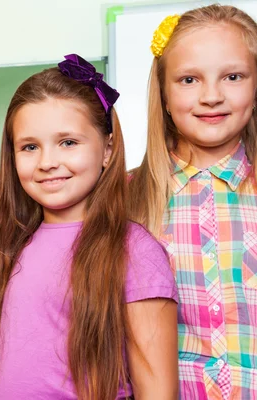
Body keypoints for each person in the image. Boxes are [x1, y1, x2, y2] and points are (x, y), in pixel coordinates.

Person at [0, 55, 178, 399]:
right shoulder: (11, 243)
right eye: (30, 147)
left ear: (107, 150)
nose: (48, 162)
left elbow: (157, 390)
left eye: (68, 142)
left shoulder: (133, 249)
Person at [129, 5, 257, 398]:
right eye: (189, 79)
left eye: (233, 76)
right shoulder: (122, 199)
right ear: (164, 93)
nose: (212, 96)